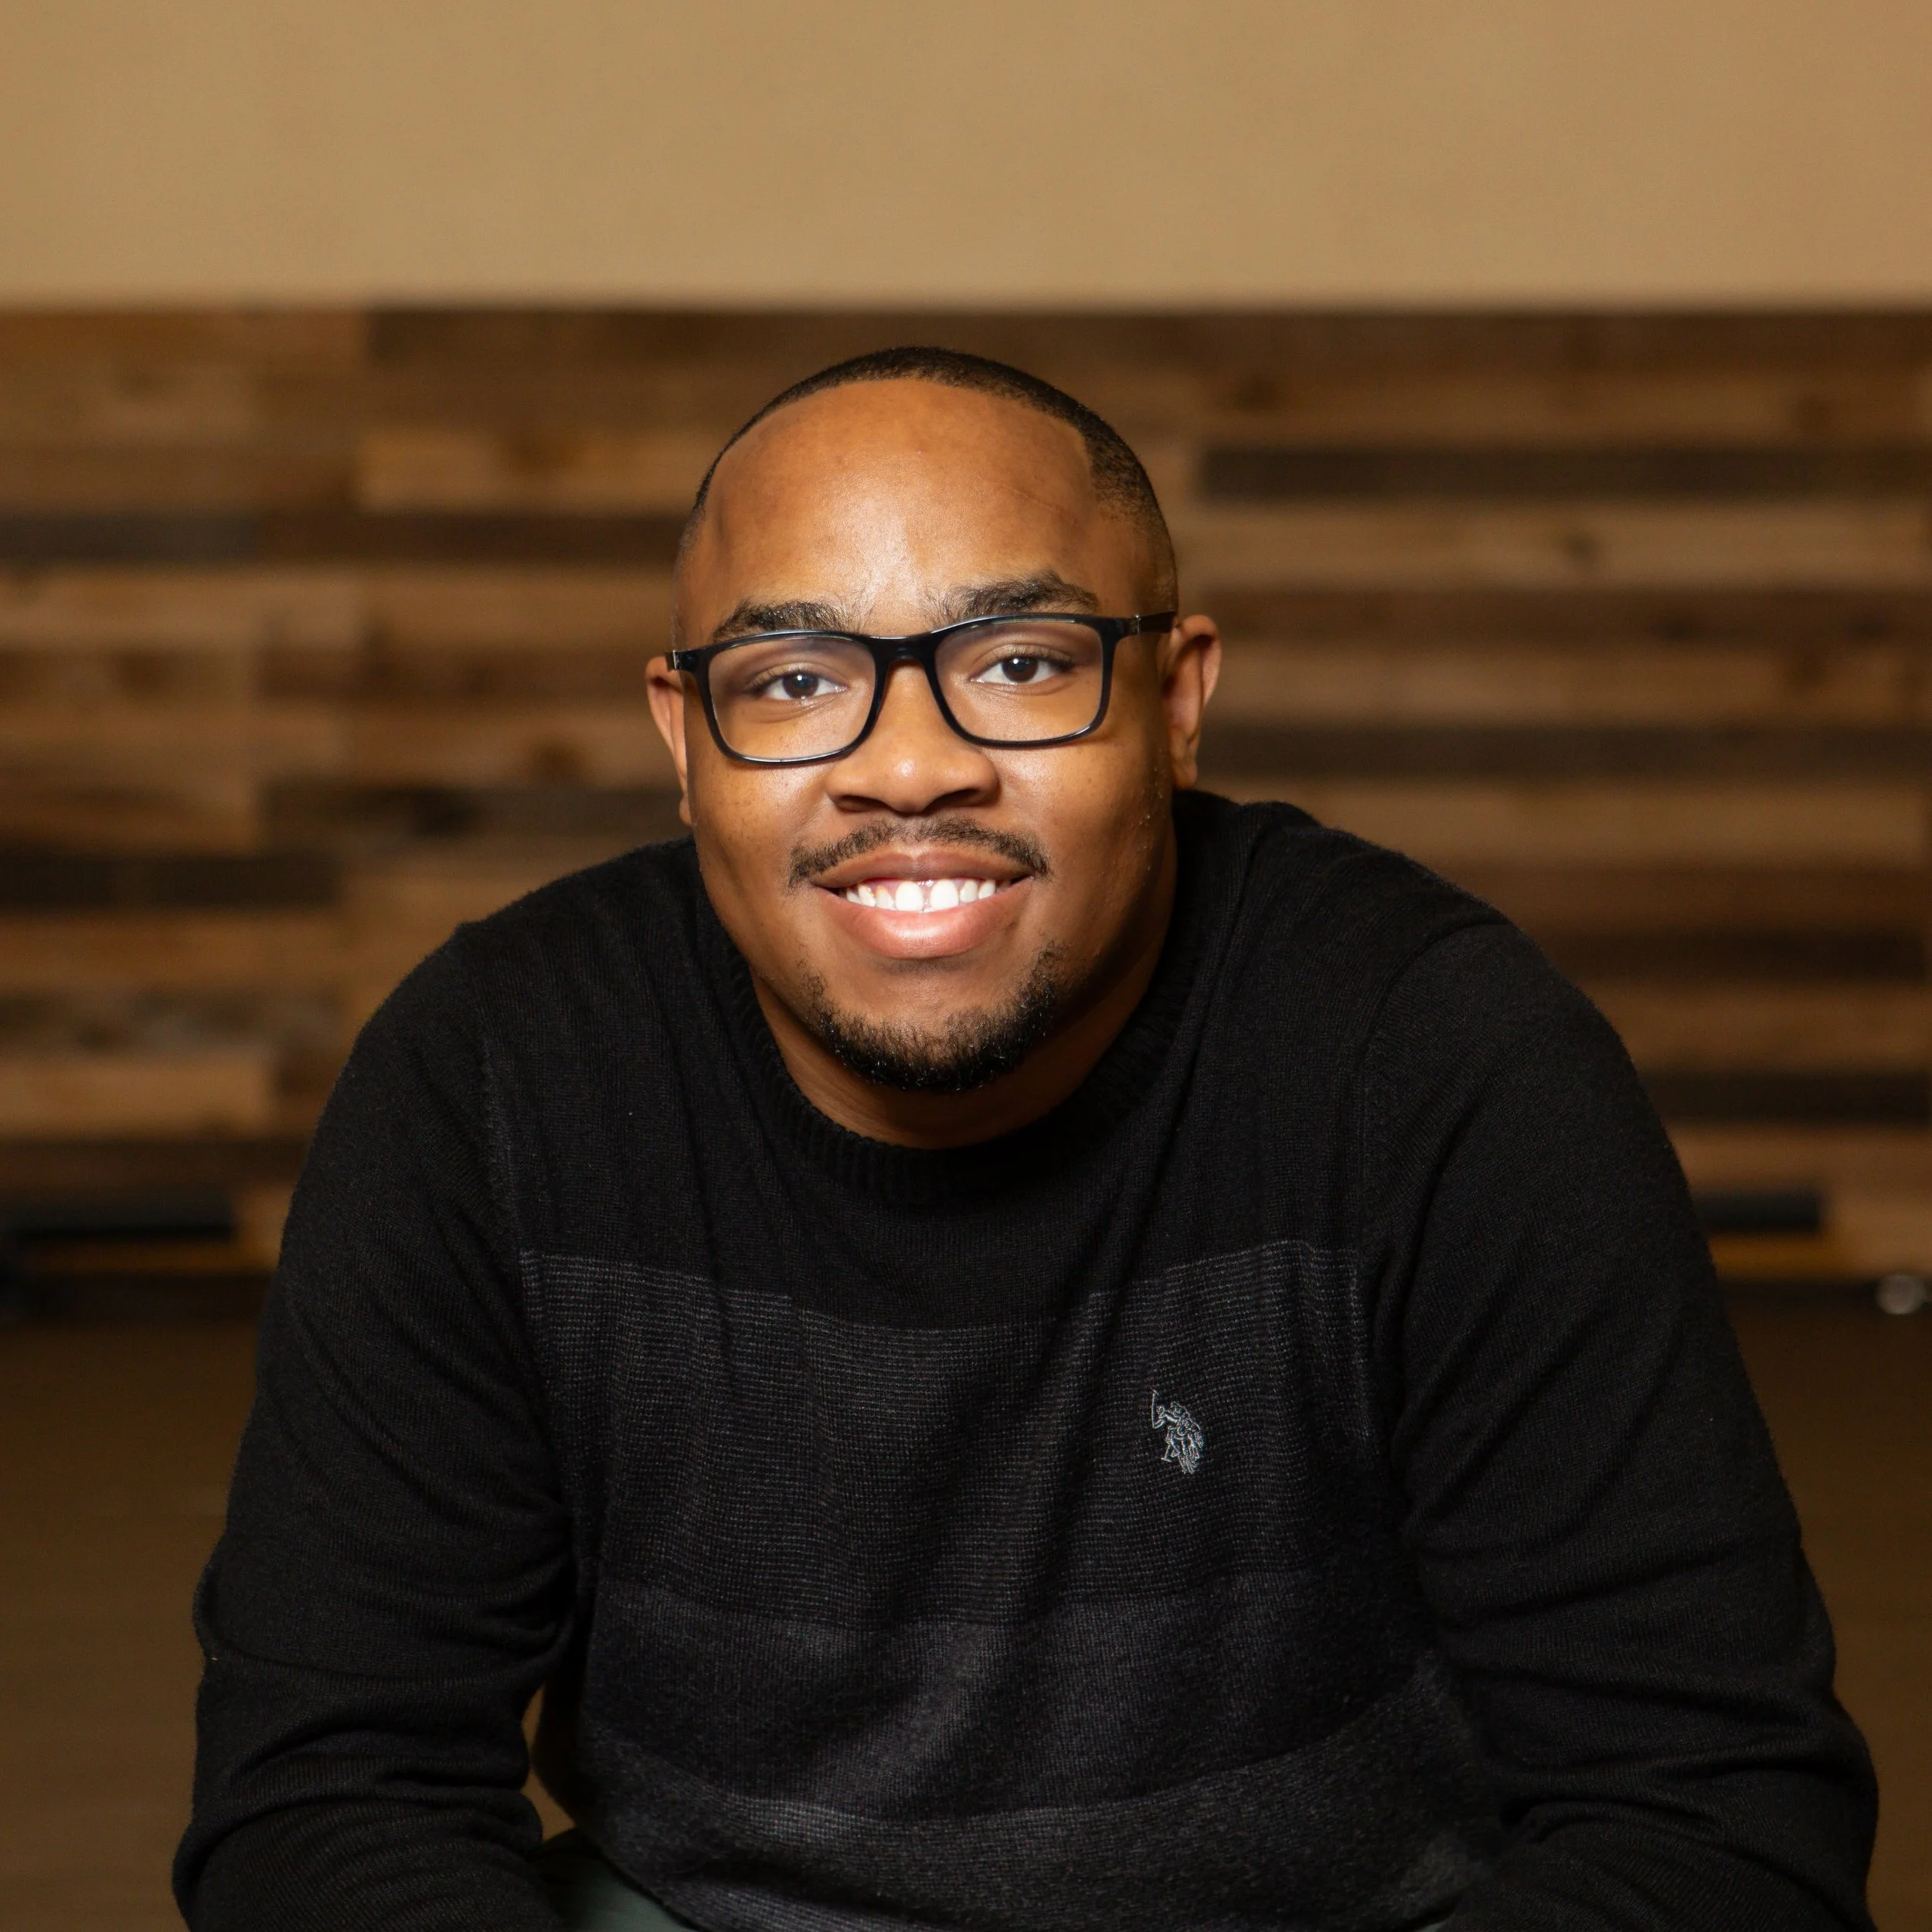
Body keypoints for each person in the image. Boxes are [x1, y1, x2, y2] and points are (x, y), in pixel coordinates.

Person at [175, 347, 1876, 1932]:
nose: (906, 767)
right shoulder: (495, 1072)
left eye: (1015, 664)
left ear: (1176, 695)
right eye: (790, 678)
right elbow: (325, 1787)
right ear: (681, 739)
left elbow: (1712, 1808)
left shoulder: (1434, 1053)